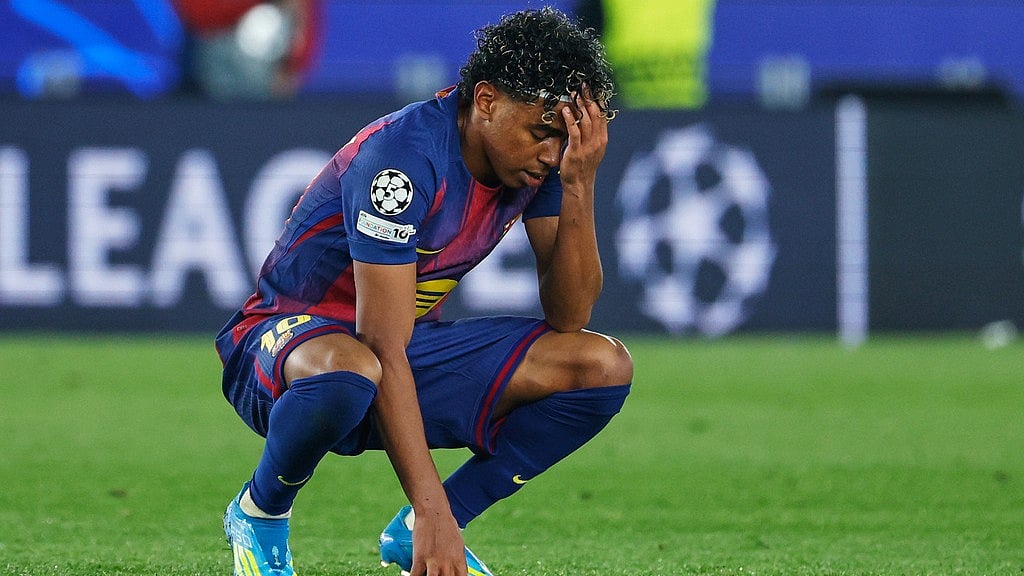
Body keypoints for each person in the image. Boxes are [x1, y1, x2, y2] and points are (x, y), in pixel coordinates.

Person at [215, 7, 633, 576]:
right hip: (281, 353)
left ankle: (419, 531)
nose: (551, 154)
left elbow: (570, 313)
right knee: (350, 367)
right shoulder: (403, 163)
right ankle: (261, 513)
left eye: (564, 141)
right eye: (542, 134)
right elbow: (380, 345)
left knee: (599, 366)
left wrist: (579, 183)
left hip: (388, 355)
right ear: (486, 101)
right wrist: (431, 504)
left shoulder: (538, 168)